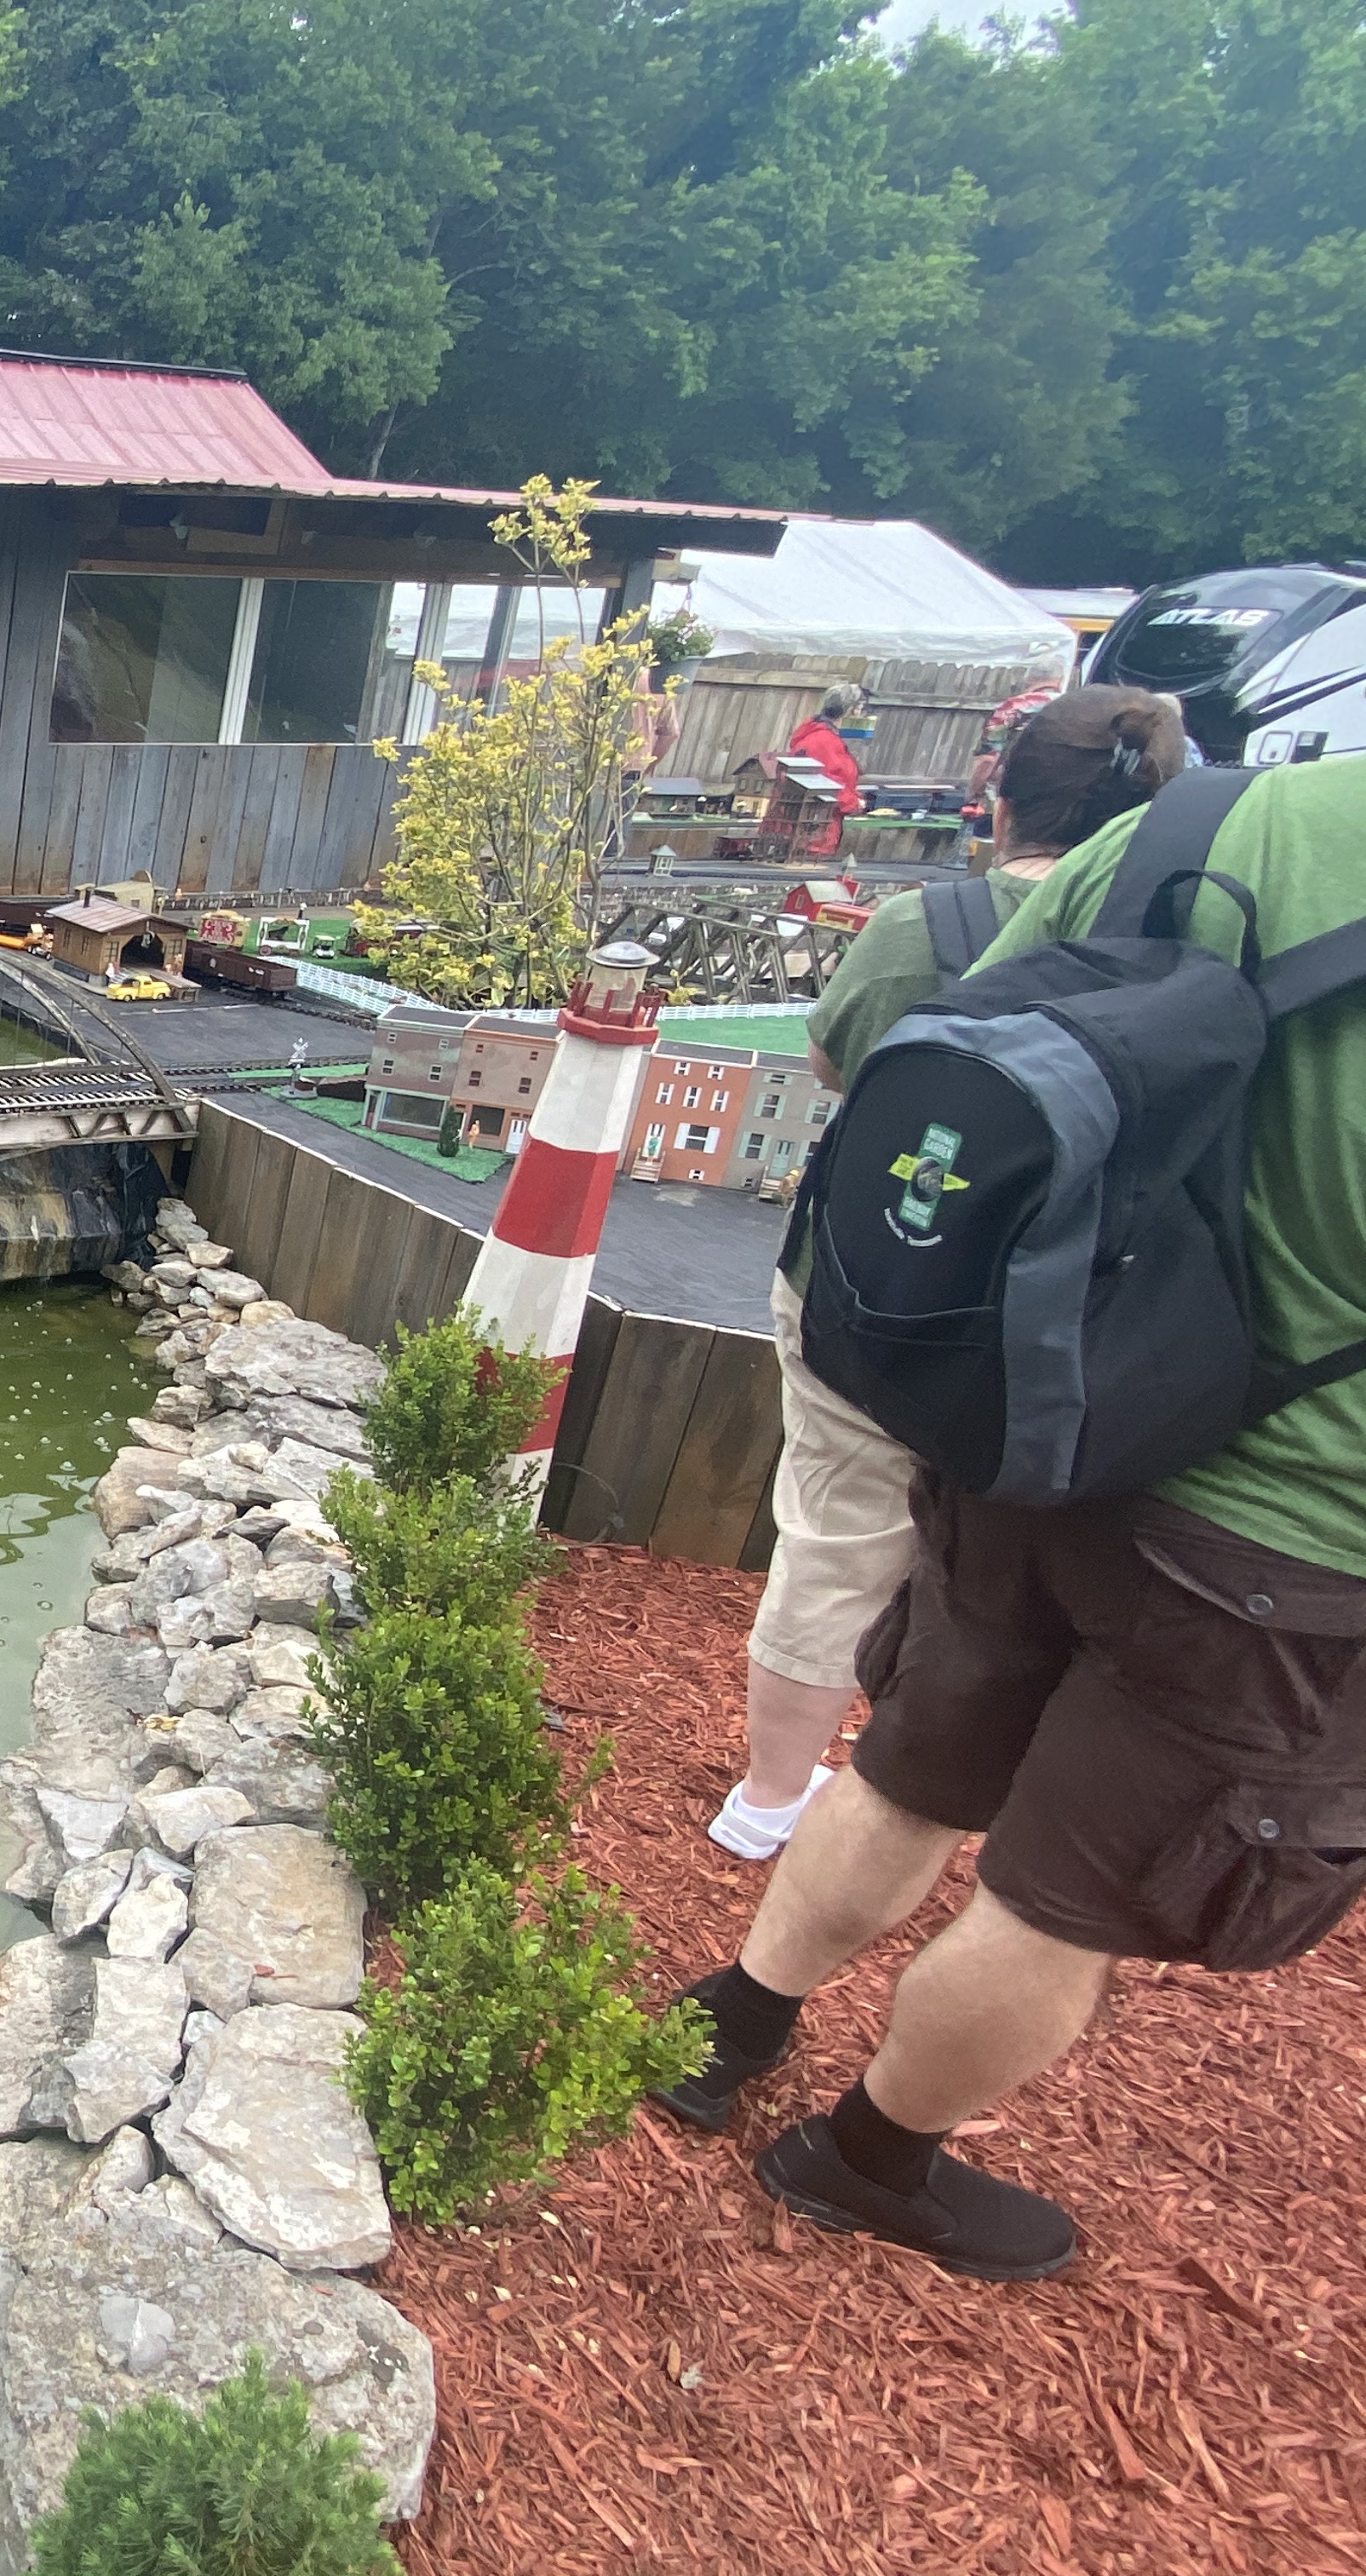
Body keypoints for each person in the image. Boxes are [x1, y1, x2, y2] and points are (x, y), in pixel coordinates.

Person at [660, 740, 1366, 2281]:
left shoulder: (1221, 820)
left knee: (909, 1765)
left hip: (1040, 1421)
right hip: (1285, 1525)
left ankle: (735, 2021)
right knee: (1064, 1897)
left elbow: (988, 1043)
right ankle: (864, 2157)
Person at [709, 687, 1188, 1860]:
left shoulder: (927, 927)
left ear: (998, 799)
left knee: (835, 1535)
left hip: (875, 1286)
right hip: (1069, 1323)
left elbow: (834, 1061)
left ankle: (769, 1800)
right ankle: (941, 1804)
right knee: (1009, 1570)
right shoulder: (1187, 954)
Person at [786, 681, 870, 854]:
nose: (863, 716)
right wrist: (855, 803)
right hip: (813, 831)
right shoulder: (825, 742)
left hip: (813, 828)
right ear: (850, 710)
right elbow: (825, 784)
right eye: (861, 709)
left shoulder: (822, 737)